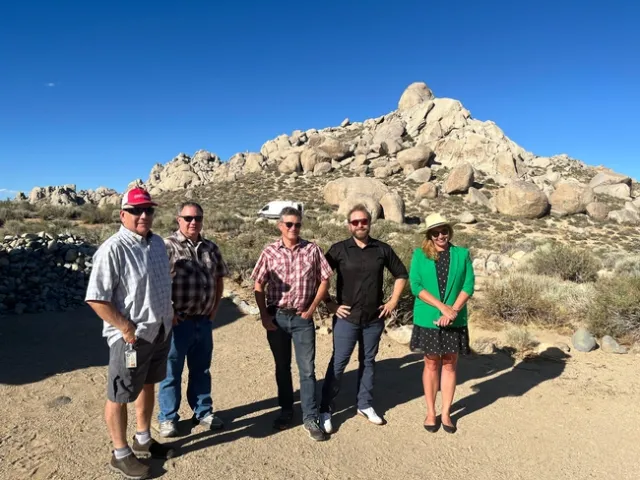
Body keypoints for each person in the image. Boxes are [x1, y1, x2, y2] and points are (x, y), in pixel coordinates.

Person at [85, 187, 176, 480]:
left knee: (148, 384)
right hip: (131, 338)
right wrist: (125, 327)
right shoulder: (112, 249)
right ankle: (120, 453)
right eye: (137, 210)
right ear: (123, 214)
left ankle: (143, 438)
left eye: (149, 209)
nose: (144, 215)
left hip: (159, 331)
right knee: (119, 394)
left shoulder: (158, 243)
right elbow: (97, 298)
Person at [319, 204, 408, 434]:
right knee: (339, 363)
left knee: (368, 361)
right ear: (349, 225)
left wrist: (393, 302)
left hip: (373, 318)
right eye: (355, 222)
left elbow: (401, 274)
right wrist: (329, 303)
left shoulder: (382, 249)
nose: (360, 225)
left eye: (364, 221)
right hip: (347, 318)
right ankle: (325, 408)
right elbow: (320, 276)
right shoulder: (339, 250)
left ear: (370, 223)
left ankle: (364, 404)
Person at [251, 206, 333, 441]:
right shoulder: (269, 252)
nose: (293, 228)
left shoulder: (312, 250)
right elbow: (259, 284)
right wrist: (264, 316)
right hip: (277, 317)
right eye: (289, 224)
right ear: (280, 226)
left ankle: (310, 416)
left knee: (307, 370)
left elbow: (325, 279)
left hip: (302, 318)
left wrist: (312, 308)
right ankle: (286, 410)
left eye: (297, 224)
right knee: (282, 367)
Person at [157, 202, 229, 437]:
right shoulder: (167, 246)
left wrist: (215, 307)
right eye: (187, 218)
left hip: (204, 321)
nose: (193, 222)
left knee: (201, 369)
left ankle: (203, 412)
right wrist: (168, 311)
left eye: (197, 217)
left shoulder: (210, 248)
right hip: (179, 322)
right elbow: (156, 282)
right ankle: (168, 418)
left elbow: (219, 279)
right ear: (178, 219)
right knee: (171, 371)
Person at [409, 213, 475, 434]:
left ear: (449, 231)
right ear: (429, 235)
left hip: (454, 319)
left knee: (449, 363)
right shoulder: (420, 255)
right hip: (429, 318)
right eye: (435, 232)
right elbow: (416, 286)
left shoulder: (462, 254)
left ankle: (446, 412)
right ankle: (430, 411)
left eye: (444, 231)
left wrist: (453, 310)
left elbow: (468, 285)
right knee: (431, 363)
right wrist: (442, 307)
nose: (440, 236)